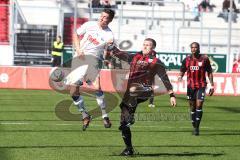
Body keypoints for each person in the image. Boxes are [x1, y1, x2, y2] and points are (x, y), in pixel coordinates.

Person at [106, 38, 177, 156]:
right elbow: (120, 54)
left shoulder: (156, 62)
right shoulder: (135, 57)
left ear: (153, 48)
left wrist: (171, 94)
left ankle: (131, 118)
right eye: (144, 44)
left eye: (148, 45)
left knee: (134, 89)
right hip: (131, 93)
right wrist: (111, 45)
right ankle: (129, 149)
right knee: (123, 123)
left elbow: (165, 78)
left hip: (146, 90)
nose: (145, 46)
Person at [70, 8, 115, 131]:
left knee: (96, 87)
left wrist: (109, 49)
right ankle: (85, 115)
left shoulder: (109, 34)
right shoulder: (89, 25)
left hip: (94, 60)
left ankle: (105, 116)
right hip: (79, 58)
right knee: (73, 92)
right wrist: (78, 50)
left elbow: (108, 50)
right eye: (101, 15)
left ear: (110, 20)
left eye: (105, 17)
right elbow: (76, 34)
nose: (101, 18)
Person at [178, 42, 214, 136]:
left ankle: (197, 128)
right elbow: (182, 70)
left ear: (199, 48)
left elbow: (209, 72)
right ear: (190, 49)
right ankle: (194, 124)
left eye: (196, 47)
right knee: (192, 107)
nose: (194, 49)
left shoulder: (205, 59)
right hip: (190, 86)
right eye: (192, 47)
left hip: (201, 85)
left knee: (199, 104)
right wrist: (180, 77)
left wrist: (212, 85)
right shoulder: (187, 59)